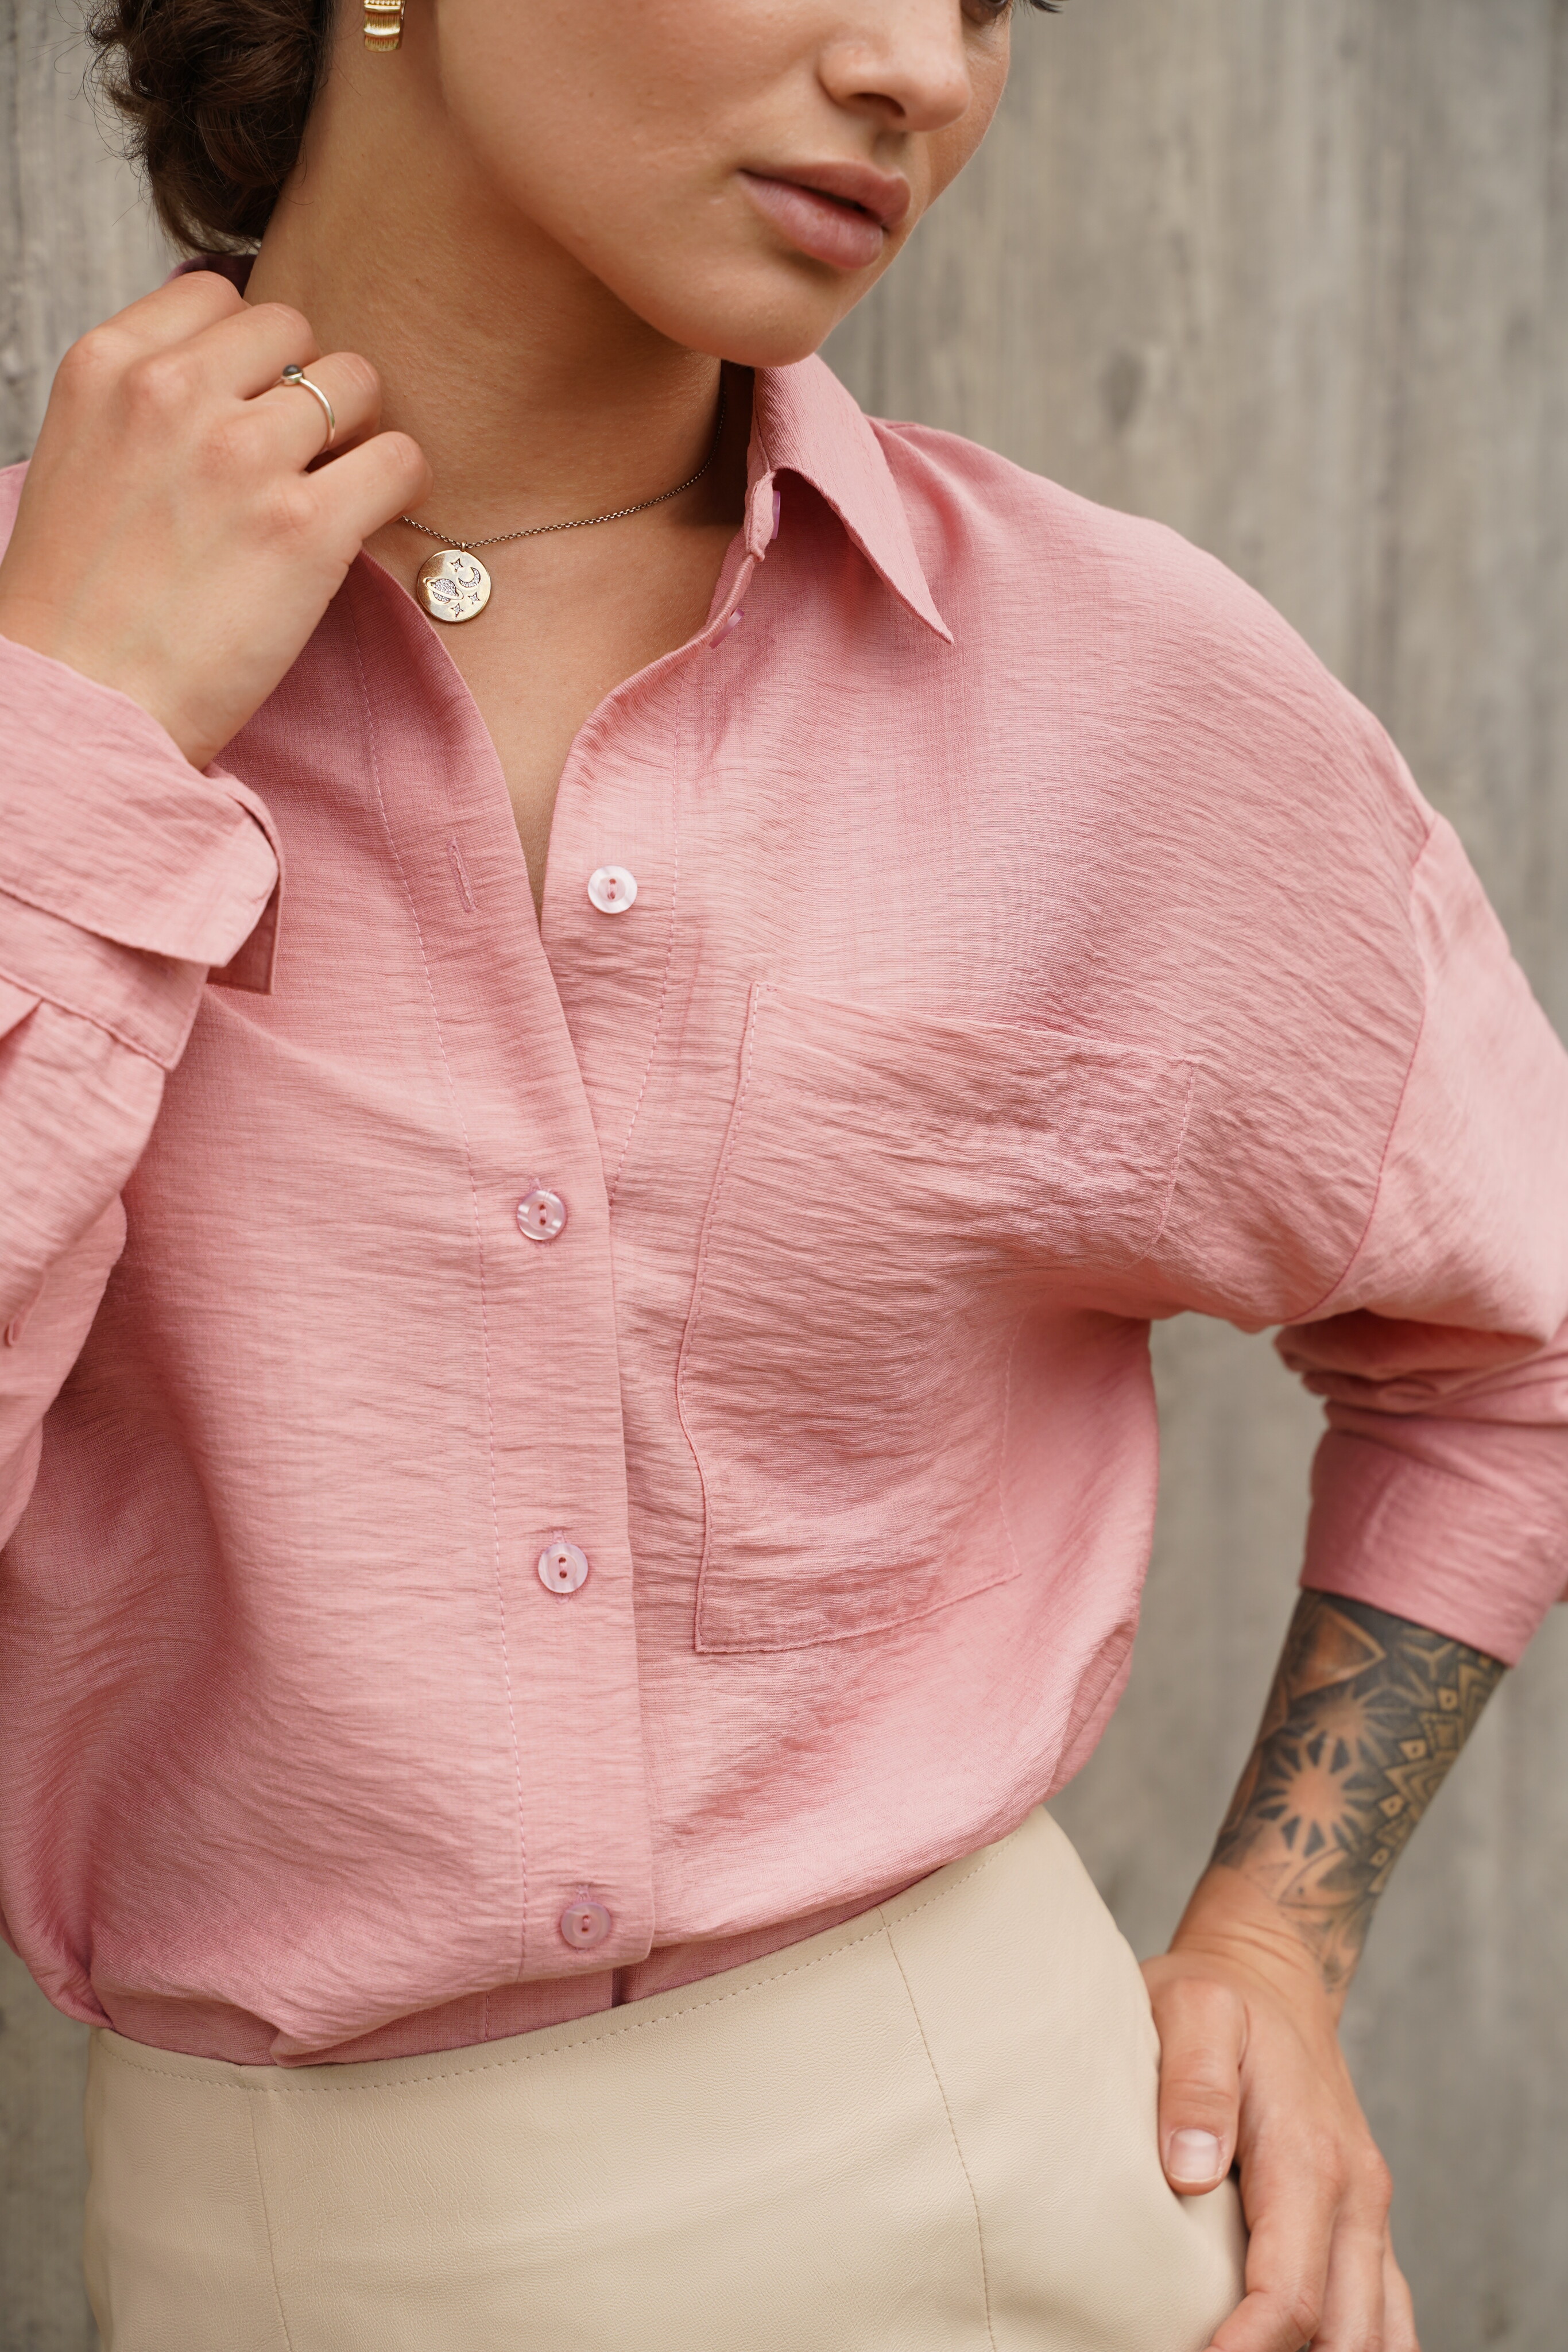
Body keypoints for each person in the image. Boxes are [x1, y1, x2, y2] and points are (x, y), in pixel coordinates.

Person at [0, 0, 1563, 2345]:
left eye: (992, 0)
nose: (919, 67)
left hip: (1022, 2217)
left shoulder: (1104, 682)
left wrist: (1276, 1930)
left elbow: (1508, 1338)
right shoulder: (22, 697)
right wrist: (73, 756)